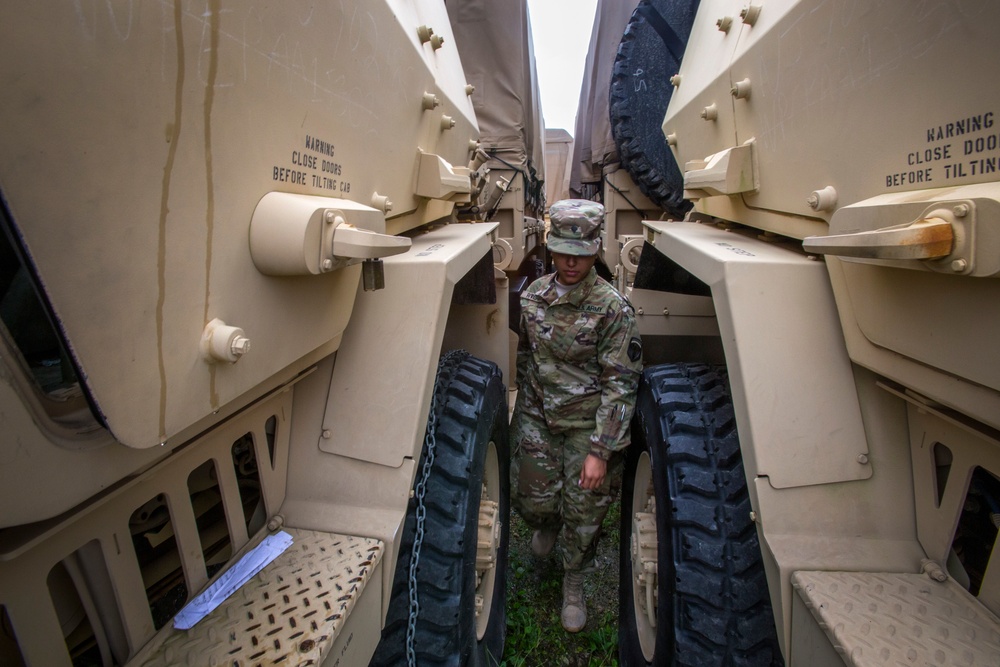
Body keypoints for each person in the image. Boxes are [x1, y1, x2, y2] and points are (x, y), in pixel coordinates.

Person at [510, 199, 642, 633]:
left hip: (588, 426)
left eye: (581, 253)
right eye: (563, 251)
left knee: (584, 511)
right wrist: (524, 424)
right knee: (532, 499)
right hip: (539, 419)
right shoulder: (532, 297)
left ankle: (574, 580)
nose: (570, 261)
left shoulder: (613, 309)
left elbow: (620, 383)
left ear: (594, 251)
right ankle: (546, 523)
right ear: (550, 248)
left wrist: (601, 452)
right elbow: (526, 360)